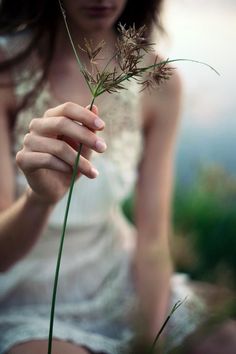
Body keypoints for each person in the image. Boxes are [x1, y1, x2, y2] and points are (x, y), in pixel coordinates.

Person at [0, 0, 201, 353]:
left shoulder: (159, 83)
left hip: (117, 277)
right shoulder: (7, 71)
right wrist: (41, 198)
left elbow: (153, 240)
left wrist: (148, 340)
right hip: (28, 292)